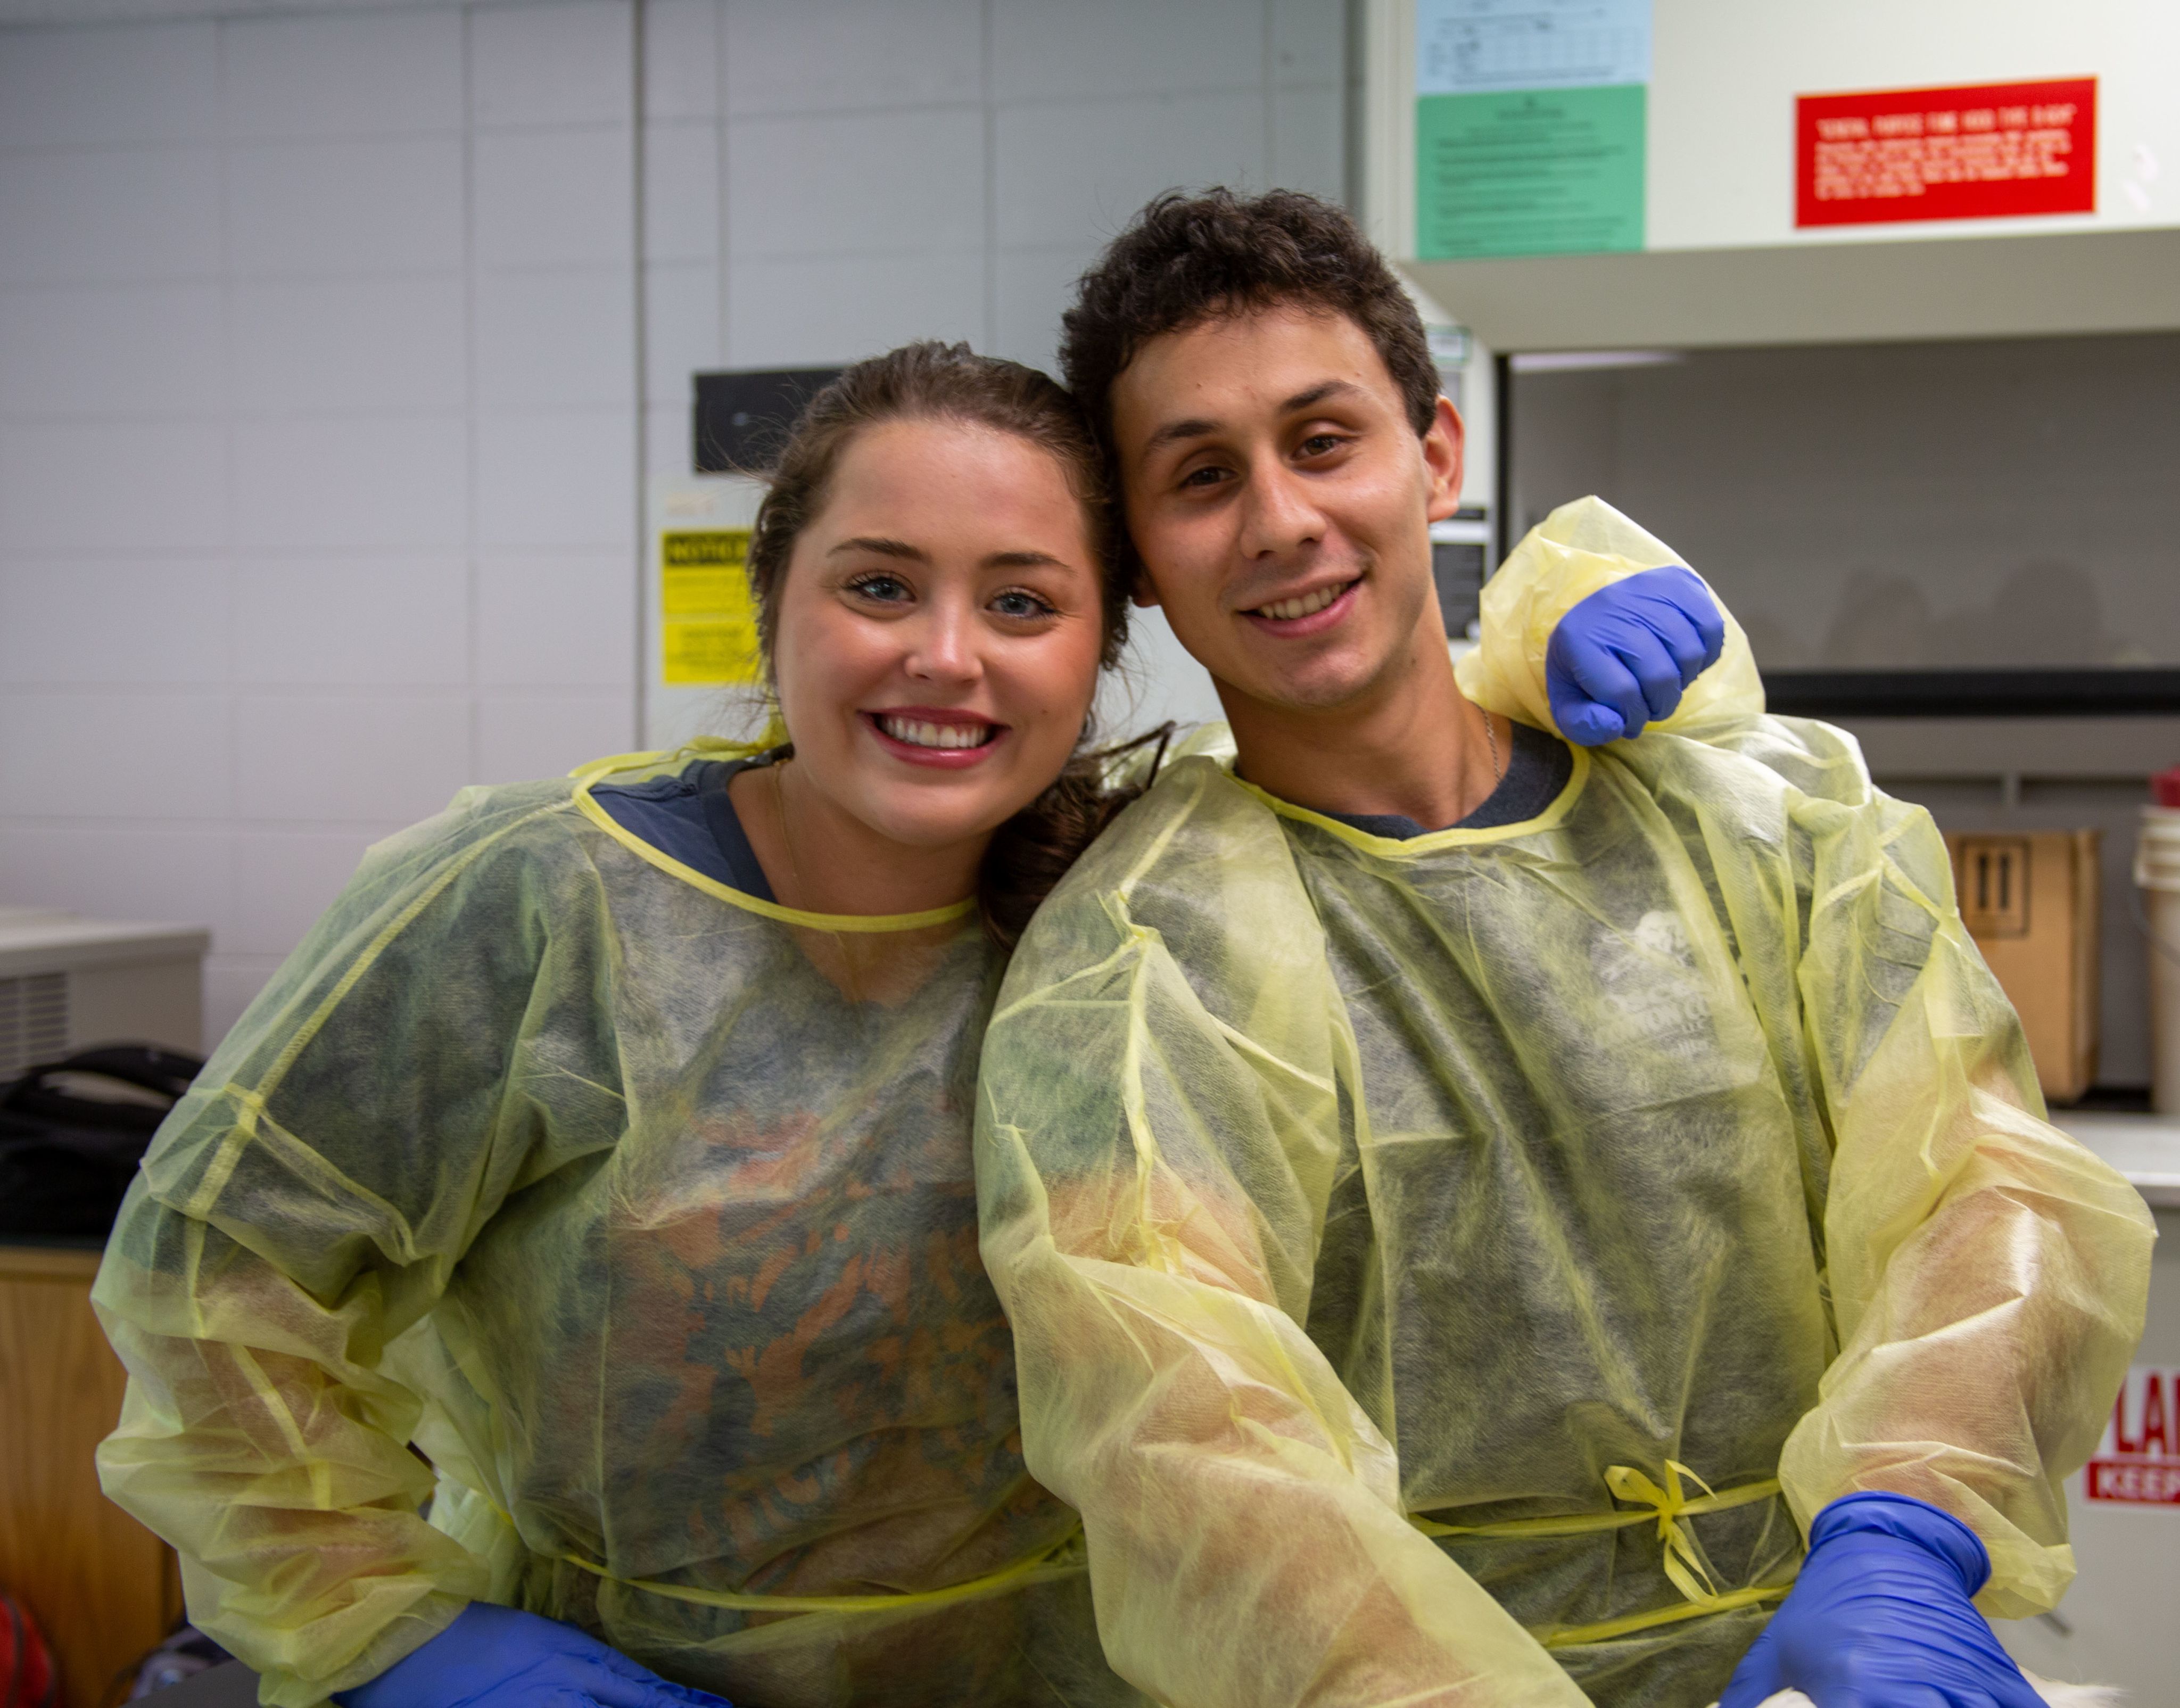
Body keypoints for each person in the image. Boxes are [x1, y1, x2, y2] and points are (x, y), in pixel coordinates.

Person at [89, 339, 1710, 1708]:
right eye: (879, 586)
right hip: (632, 1679)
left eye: (1023, 602)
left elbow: (1407, 783)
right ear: (773, 599)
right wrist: (389, 1625)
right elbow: (213, 1277)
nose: (946, 658)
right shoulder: (538, 908)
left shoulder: (1153, 911)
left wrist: (1544, 639)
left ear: (1100, 650)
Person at [971, 189, 2156, 1708]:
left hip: (1822, 1663)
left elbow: (1985, 1185)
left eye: (1324, 440)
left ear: (1437, 456)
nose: (1279, 520)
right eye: (1201, 477)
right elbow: (1189, 1439)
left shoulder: (1761, 823)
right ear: (1140, 557)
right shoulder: (1143, 959)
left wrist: (1905, 1527)